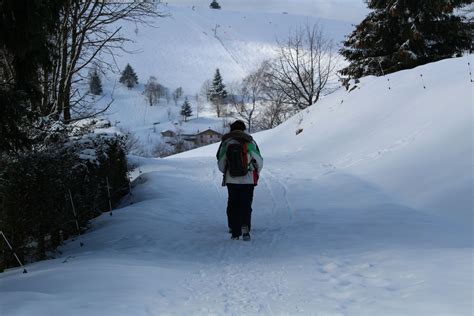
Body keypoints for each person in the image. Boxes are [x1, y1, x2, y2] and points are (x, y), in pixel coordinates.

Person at [216, 120, 263, 240]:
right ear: (243, 129)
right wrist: (255, 171)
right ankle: (245, 226)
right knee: (246, 204)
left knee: (232, 203)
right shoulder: (250, 141)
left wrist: (227, 172)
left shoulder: (226, 143)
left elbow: (221, 162)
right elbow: (259, 160)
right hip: (248, 179)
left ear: (231, 129)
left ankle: (234, 230)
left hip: (231, 180)